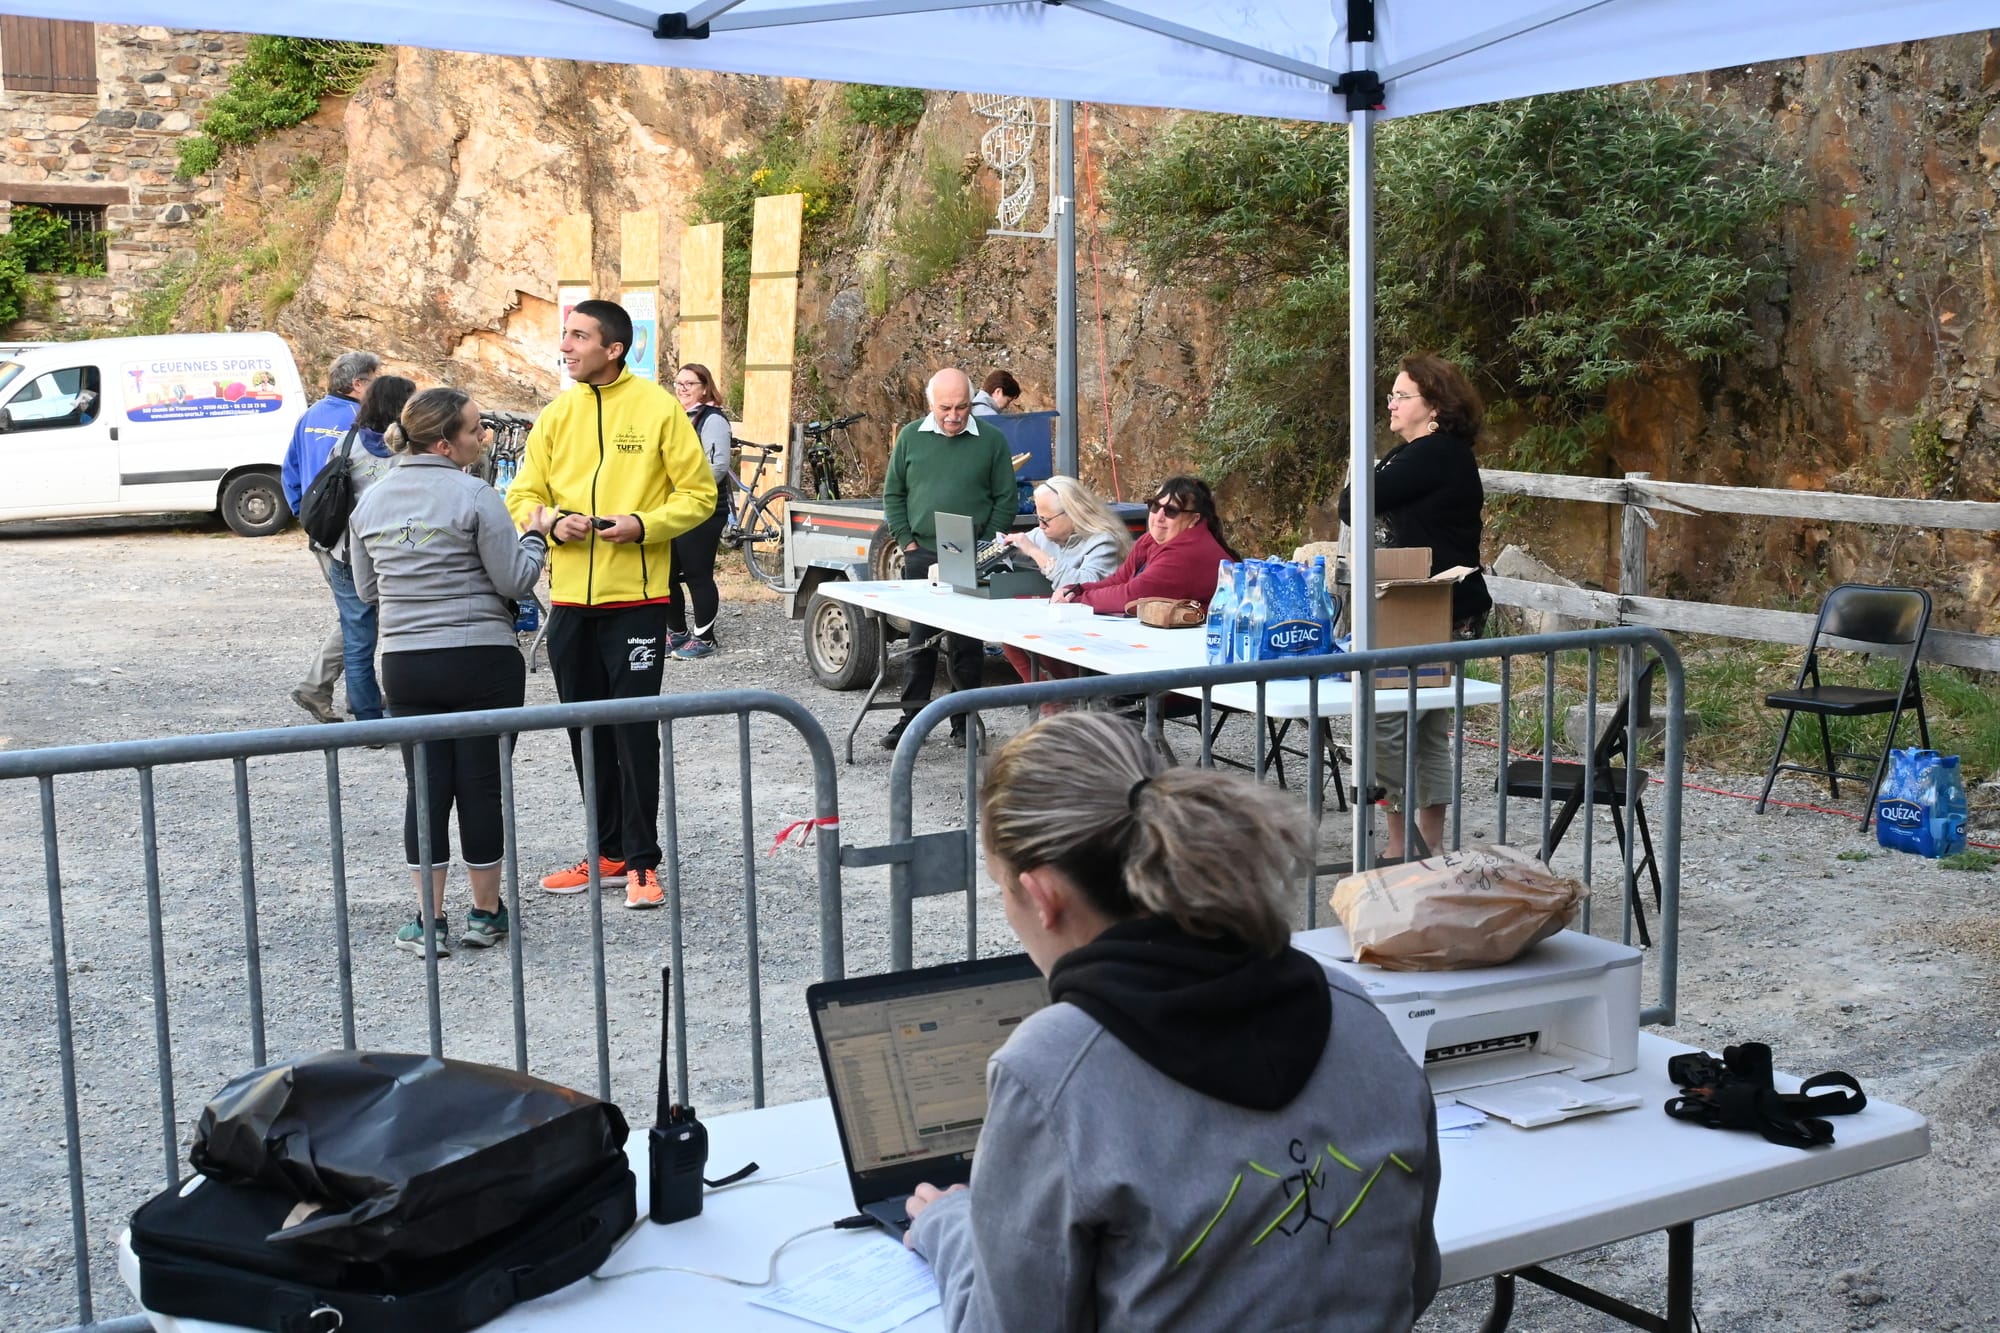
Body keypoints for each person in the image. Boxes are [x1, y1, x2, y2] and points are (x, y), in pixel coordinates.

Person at [904, 713, 1441, 1330]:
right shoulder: (1353, 1009)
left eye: (1003, 889)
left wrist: (949, 1226)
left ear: (1044, 894)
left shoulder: (1052, 1070)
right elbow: (1414, 1276)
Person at [504, 299, 717, 909]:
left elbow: (700, 496)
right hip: (569, 602)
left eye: (578, 336)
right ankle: (607, 853)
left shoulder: (658, 410)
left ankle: (644, 863)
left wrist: (642, 524)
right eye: (564, 335)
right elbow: (522, 495)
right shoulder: (556, 414)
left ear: (614, 348)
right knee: (585, 732)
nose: (565, 346)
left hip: (638, 602)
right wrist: (550, 524)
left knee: (632, 732)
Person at [348, 388, 557, 955]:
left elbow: (367, 590)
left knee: (427, 788)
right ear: (445, 444)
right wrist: (537, 535)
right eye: (474, 430)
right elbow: (515, 580)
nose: (483, 437)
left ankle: (427, 921)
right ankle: (486, 914)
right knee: (481, 787)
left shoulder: (370, 501)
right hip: (480, 658)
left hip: (407, 663)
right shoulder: (477, 495)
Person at [1338, 352, 1493, 859]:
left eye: (1402, 396)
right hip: (1437, 609)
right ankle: (1426, 850)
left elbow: (1352, 503)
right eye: (1392, 395)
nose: (1392, 404)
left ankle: (1400, 852)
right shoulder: (1435, 454)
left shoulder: (1431, 454)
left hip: (1422, 614)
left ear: (1435, 407)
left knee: (1388, 727)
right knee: (1426, 729)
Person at [880, 368, 1018, 750]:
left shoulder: (991, 440)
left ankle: (965, 722)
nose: (954, 415)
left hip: (972, 555)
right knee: (919, 643)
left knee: (966, 645)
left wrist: (986, 548)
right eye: (945, 408)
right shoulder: (910, 438)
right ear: (930, 404)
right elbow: (893, 495)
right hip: (922, 553)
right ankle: (910, 721)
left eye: (961, 407)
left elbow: (1005, 498)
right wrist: (907, 543)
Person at [283, 350, 379, 724]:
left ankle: (355, 692)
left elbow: (289, 469)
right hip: (350, 539)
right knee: (360, 615)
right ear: (358, 384)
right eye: (374, 378)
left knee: (355, 613)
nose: (376, 385)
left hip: (322, 533)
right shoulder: (359, 421)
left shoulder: (309, 416)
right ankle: (320, 688)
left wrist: (303, 515)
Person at [315, 374, 415, 729]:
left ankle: (368, 720)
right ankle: (407, 708)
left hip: (346, 551)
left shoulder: (346, 443)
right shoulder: (407, 449)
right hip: (398, 554)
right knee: (405, 634)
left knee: (358, 640)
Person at [997, 475, 1130, 685]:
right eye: (1038, 518)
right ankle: (1053, 703)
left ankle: (1066, 701)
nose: (1040, 526)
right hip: (1063, 625)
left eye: (1045, 520)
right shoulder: (1046, 534)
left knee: (1039, 642)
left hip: (1096, 636)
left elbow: (1082, 588)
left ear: (1072, 514)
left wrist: (1035, 552)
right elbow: (1014, 546)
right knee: (1011, 638)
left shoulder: (1103, 540)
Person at [1054, 474, 1237, 614]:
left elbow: (1133, 595)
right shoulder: (1151, 540)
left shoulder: (1188, 554)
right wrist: (1075, 589)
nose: (1159, 517)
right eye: (1155, 506)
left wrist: (1075, 601)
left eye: (1171, 511)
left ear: (1193, 519)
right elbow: (1119, 580)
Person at [666, 363, 732, 661]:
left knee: (697, 573)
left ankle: (705, 637)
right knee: (666, 573)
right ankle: (676, 631)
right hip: (674, 507)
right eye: (678, 383)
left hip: (703, 508)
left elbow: (717, 466)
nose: (682, 388)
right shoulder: (676, 416)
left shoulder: (713, 419)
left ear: (705, 387)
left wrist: (691, 492)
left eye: (689, 384)